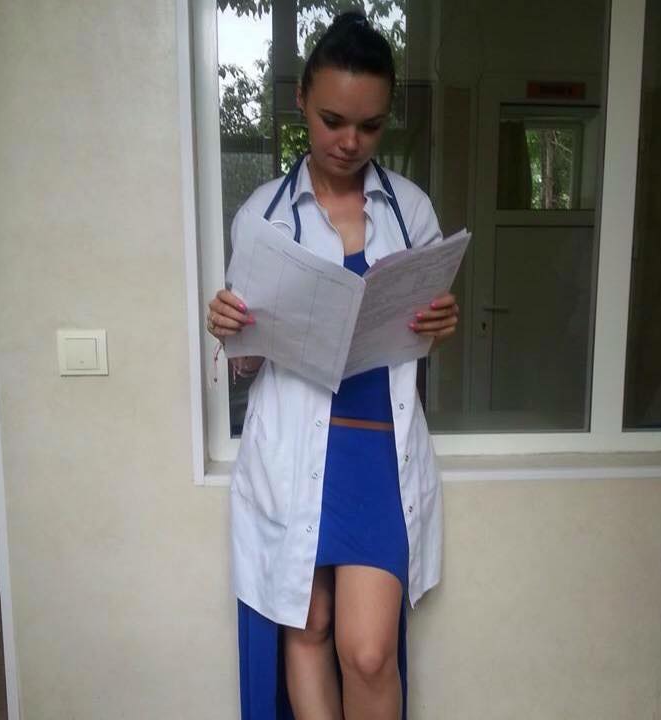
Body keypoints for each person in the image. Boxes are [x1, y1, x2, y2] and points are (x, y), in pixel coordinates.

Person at [206, 12, 459, 719]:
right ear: (300, 101)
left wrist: (440, 326)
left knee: (368, 651)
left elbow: (418, 339)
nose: (350, 141)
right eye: (333, 120)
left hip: (376, 455)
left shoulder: (410, 211)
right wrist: (229, 329)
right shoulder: (263, 216)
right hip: (294, 451)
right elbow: (248, 362)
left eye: (370, 126)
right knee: (308, 627)